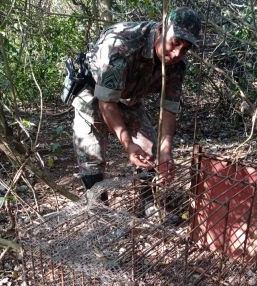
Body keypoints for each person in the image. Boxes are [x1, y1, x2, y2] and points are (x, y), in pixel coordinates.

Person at [72, 7, 201, 202]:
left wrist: (166, 151)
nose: (177, 53)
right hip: (93, 93)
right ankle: (100, 214)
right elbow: (106, 103)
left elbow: (169, 109)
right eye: (175, 43)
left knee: (151, 151)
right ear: (162, 29)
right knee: (91, 156)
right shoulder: (122, 44)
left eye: (185, 49)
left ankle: (146, 204)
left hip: (129, 98)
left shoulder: (177, 66)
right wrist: (128, 144)